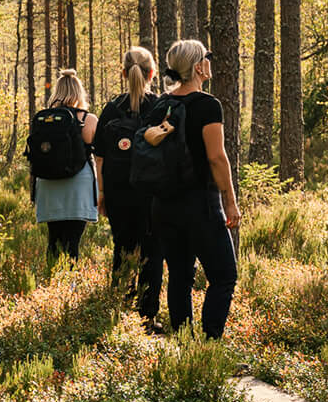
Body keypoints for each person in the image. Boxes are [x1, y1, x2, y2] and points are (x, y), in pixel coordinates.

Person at [143, 39, 241, 338]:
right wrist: (230, 201)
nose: (210, 62)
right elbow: (216, 156)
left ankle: (186, 347)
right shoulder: (207, 105)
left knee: (180, 277)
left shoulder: (162, 105)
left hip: (163, 205)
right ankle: (210, 346)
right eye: (206, 58)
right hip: (201, 204)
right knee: (224, 276)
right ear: (198, 67)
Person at [96, 47, 165, 325]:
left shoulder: (112, 108)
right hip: (153, 195)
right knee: (153, 251)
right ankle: (148, 316)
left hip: (118, 192)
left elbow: (99, 156)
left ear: (123, 73)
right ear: (152, 73)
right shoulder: (161, 107)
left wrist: (101, 193)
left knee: (123, 248)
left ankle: (120, 311)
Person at [31, 70, 99, 259]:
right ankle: (69, 285)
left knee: (54, 239)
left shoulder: (43, 119)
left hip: (47, 183)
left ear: (57, 91)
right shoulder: (88, 119)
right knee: (73, 241)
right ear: (79, 92)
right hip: (78, 185)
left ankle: (50, 280)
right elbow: (99, 153)